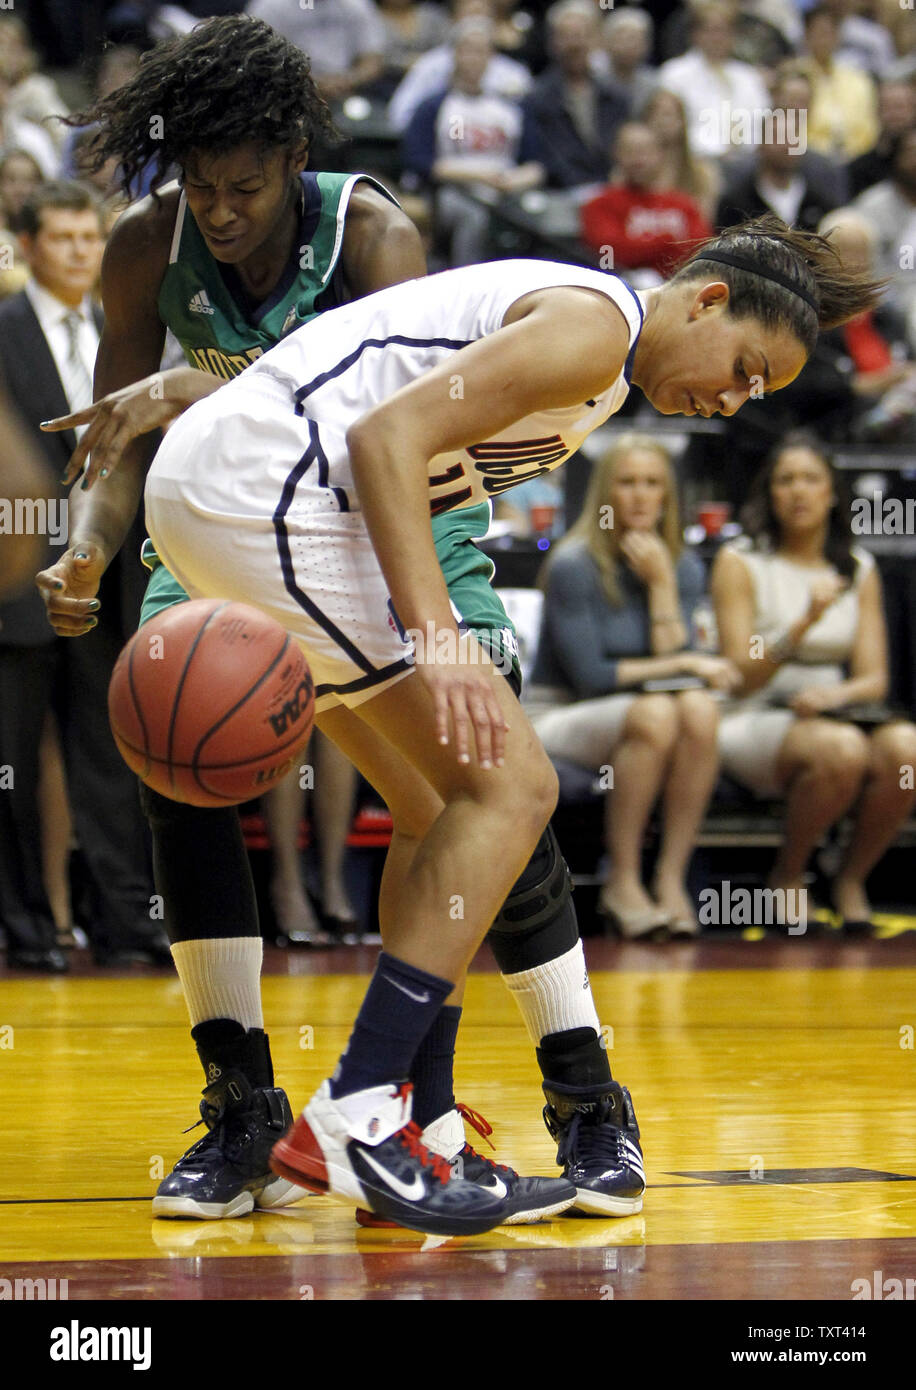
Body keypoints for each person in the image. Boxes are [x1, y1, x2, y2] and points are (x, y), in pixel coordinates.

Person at [136, 218, 880, 1229]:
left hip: (244, 493)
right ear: (703, 300)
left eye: (760, 392)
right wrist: (437, 637)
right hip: (268, 499)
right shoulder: (596, 327)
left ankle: (411, 1126)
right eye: (745, 369)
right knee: (516, 785)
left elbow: (357, 390)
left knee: (437, 804)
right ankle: (356, 1111)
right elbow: (384, 437)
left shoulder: (600, 362)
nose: (735, 400)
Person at [38, 15, 628, 1228]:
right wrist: (90, 548)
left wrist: (198, 384)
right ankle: (245, 1111)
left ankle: (564, 1098)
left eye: (244, 186)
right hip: (224, 524)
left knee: (479, 783)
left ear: (292, 156)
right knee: (178, 766)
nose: (219, 211)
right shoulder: (149, 245)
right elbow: (114, 436)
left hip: (396, 514)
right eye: (198, 186)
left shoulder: (371, 230)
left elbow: (381, 411)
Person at [0, 181, 165, 971]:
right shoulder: (0, 328)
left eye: (87, 238)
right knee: (15, 761)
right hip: (12, 579)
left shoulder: (124, 330)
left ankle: (126, 923)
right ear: (26, 245)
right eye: (60, 238)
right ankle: (27, 928)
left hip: (103, 577)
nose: (77, 251)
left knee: (108, 755)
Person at [526, 434, 735, 938]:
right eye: (627, 483)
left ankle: (668, 878)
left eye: (652, 484)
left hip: (640, 712)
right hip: (559, 714)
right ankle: (622, 879)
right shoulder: (574, 564)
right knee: (657, 713)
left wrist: (662, 584)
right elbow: (593, 677)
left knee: (700, 710)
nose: (640, 495)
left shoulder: (680, 564)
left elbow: (680, 670)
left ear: (668, 495)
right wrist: (686, 660)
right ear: (604, 494)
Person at [711, 431, 916, 935]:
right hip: (750, 713)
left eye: (811, 479)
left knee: (905, 748)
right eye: (786, 481)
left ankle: (849, 877)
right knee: (841, 751)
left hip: (827, 711)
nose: (798, 491)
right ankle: (789, 874)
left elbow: (874, 679)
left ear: (832, 493)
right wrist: (802, 623)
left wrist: (834, 696)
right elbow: (739, 676)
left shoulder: (857, 567)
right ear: (770, 493)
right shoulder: (740, 560)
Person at [402, 17, 544, 266]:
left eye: (482, 51)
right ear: (454, 54)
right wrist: (480, 177)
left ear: (492, 57)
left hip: (506, 190)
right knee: (473, 215)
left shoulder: (510, 107)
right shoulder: (433, 106)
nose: (474, 58)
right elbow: (420, 162)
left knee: (538, 211)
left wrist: (513, 180)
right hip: (453, 192)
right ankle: (466, 279)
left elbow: (537, 163)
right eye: (467, 50)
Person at [581, 122, 712, 282]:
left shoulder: (684, 205)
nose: (638, 160)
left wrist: (640, 248)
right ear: (616, 154)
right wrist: (669, 241)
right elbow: (608, 255)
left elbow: (700, 252)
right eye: (629, 151)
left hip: (681, 286)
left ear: (660, 154)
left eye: (644, 152)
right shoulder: (599, 205)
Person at [523, 0, 629, 193]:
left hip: (611, 192)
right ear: (553, 42)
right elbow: (540, 160)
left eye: (582, 35)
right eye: (567, 36)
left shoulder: (616, 96)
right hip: (558, 195)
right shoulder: (536, 98)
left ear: (596, 40)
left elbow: (622, 150)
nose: (575, 44)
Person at [655, 1, 771, 162]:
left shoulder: (749, 76)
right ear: (695, 34)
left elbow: (762, 123)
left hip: (746, 163)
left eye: (724, 31)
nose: (717, 38)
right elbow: (669, 128)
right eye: (710, 30)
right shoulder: (674, 74)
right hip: (694, 161)